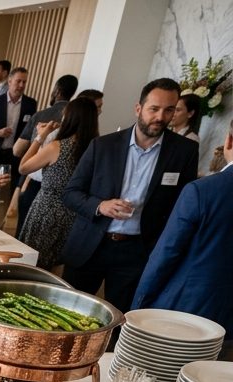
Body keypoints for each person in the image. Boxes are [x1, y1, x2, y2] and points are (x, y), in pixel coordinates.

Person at [61, 78, 199, 313]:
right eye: (154, 109)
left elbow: (181, 206)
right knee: (68, 312)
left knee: (121, 318)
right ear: (138, 108)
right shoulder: (103, 145)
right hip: (91, 243)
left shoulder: (184, 151)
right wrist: (100, 205)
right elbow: (71, 193)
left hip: (137, 251)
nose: (160, 117)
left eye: (169, 110)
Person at [132, 119, 233, 343]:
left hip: (185, 312)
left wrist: (138, 306)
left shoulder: (203, 191)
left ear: (228, 141)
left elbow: (166, 254)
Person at [17, 97, 101, 269]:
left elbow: (23, 167)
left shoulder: (58, 147)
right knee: (55, 264)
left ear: (71, 118)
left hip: (47, 210)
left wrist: (41, 136)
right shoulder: (96, 149)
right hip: (74, 214)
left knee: (33, 264)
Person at [12, 74, 78, 232]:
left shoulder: (42, 117)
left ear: (57, 90)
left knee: (25, 231)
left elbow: (17, 151)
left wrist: (40, 137)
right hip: (65, 197)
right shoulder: (84, 135)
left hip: (35, 183)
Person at [0, 67, 36, 174]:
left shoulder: (31, 104)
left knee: (8, 186)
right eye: (18, 81)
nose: (21, 85)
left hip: (15, 154)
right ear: (10, 81)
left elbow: (30, 130)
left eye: (24, 82)